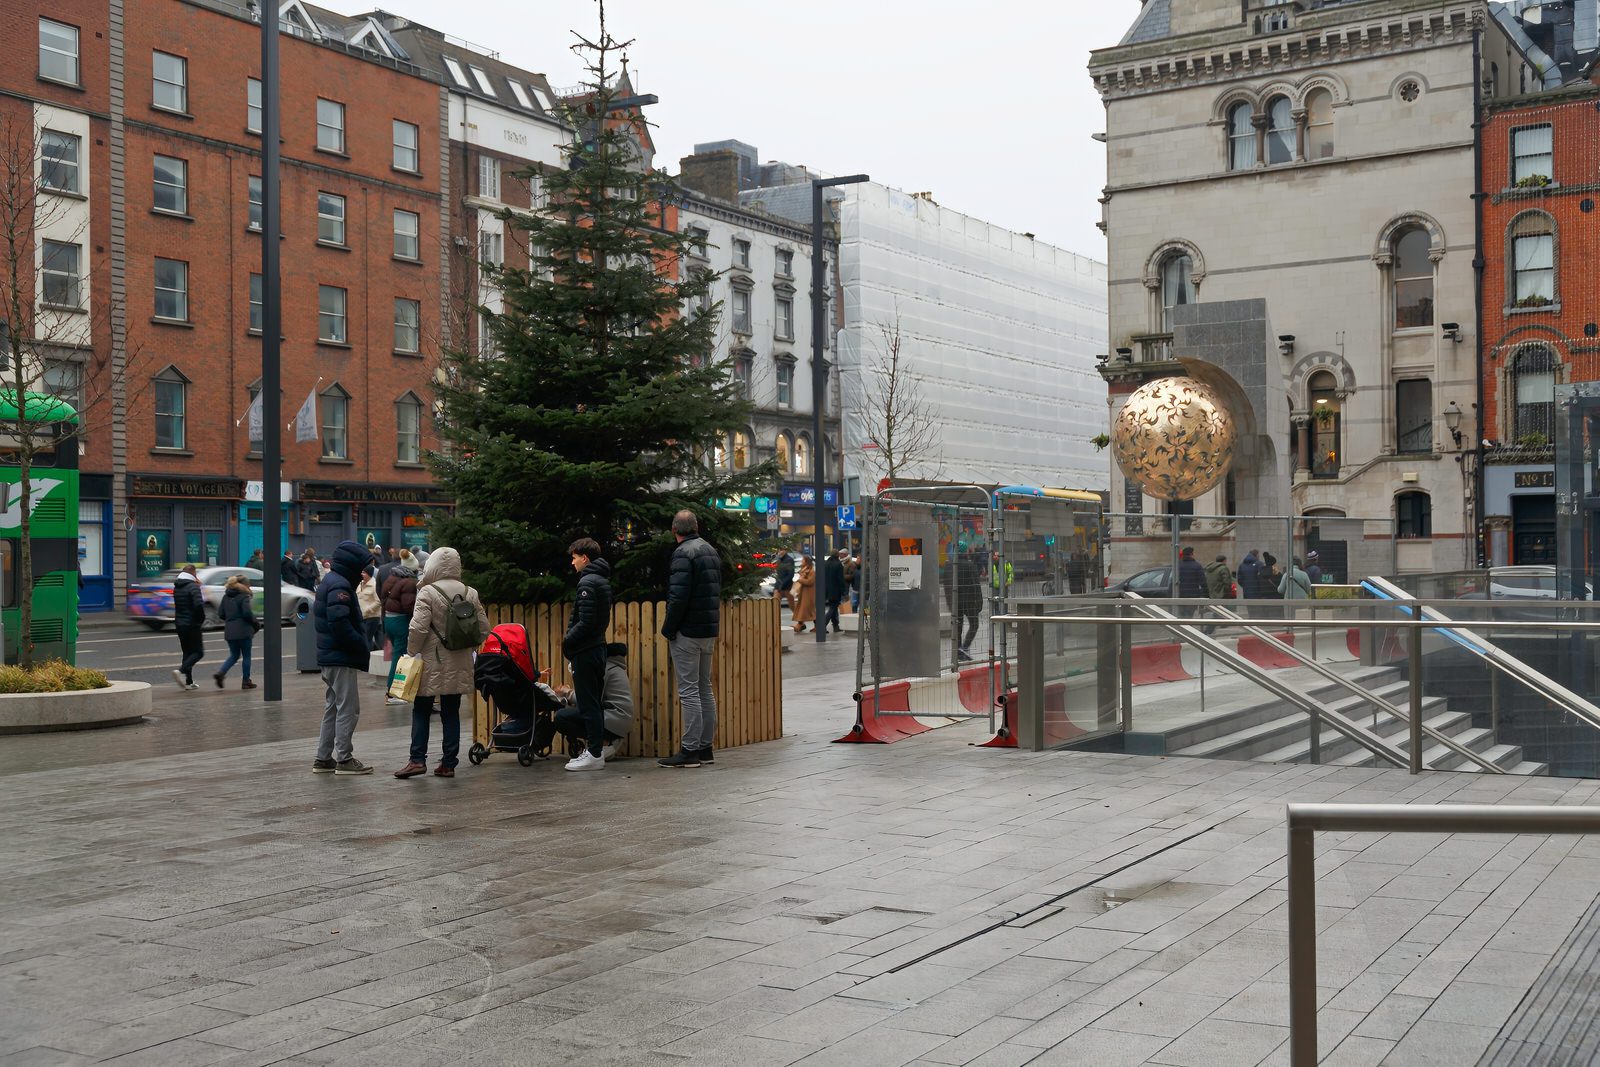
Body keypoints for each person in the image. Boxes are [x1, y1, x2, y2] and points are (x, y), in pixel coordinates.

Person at [394, 547, 487, 780]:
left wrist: (411, 651)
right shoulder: (470, 592)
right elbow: (483, 628)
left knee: (422, 709)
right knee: (451, 711)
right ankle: (448, 763)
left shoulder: (427, 592)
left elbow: (418, 627)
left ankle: (417, 760)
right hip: (460, 660)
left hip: (431, 661)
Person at [659, 510, 721, 769]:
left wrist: (668, 628)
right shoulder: (710, 550)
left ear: (675, 530)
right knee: (704, 688)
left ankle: (690, 751)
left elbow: (678, 597)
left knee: (689, 691)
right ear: (695, 527)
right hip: (708, 630)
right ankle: (705, 748)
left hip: (688, 631)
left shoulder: (683, 553)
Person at [312, 540, 374, 775]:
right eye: (361, 567)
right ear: (351, 565)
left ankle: (323, 758)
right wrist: (360, 644)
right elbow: (339, 623)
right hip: (341, 657)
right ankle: (344, 759)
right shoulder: (340, 586)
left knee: (333, 708)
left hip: (330, 656)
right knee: (348, 708)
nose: (362, 573)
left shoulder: (331, 581)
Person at [562, 537, 612, 772]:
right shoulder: (601, 580)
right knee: (594, 702)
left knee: (588, 703)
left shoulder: (588, 583)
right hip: (597, 648)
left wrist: (568, 640)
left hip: (586, 650)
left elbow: (587, 621)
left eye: (574, 557)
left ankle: (593, 753)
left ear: (585, 557)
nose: (572, 562)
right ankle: (595, 750)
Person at [553, 643, 634, 760]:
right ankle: (604, 742)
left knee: (561, 717)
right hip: (617, 719)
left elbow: (589, 700)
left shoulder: (604, 669)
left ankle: (603, 744)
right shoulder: (614, 667)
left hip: (613, 718)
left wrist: (568, 693)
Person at [381, 550, 418, 705]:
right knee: (399, 656)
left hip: (388, 620)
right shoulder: (409, 582)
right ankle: (392, 693)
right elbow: (409, 605)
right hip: (400, 621)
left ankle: (394, 691)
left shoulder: (392, 577)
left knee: (398, 656)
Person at [213, 574, 260, 689]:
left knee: (234, 655)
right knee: (246, 656)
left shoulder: (226, 596)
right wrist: (256, 624)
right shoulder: (243, 596)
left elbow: (221, 614)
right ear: (245, 585)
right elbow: (247, 613)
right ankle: (246, 681)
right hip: (244, 630)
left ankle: (221, 673)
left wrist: (231, 620)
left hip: (230, 630)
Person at [170, 564, 205, 691]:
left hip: (180, 623)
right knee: (198, 652)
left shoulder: (177, 587)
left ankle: (189, 682)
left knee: (187, 652)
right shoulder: (193, 587)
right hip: (192, 624)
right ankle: (180, 671)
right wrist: (200, 620)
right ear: (193, 573)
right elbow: (198, 605)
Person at [954, 549, 983, 660]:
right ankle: (964, 648)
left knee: (958, 627)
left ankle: (958, 651)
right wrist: (979, 601)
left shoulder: (953, 566)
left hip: (956, 602)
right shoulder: (970, 565)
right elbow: (976, 584)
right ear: (965, 552)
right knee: (974, 624)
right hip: (970, 601)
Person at [356, 567, 383, 652]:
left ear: (369, 574)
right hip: (362, 616)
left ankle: (368, 656)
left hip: (372, 616)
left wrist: (368, 610)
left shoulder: (374, 585)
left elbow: (378, 601)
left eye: (364, 573)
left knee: (367, 637)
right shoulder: (360, 584)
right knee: (367, 638)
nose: (362, 574)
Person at [821, 548, 846, 635]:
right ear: (837, 555)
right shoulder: (838, 564)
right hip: (835, 590)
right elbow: (840, 579)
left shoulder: (826, 563)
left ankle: (836, 626)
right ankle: (822, 625)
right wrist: (844, 591)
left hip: (826, 589)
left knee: (833, 607)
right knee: (833, 607)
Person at [791, 553, 816, 634]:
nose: (801, 561)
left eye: (803, 560)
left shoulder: (811, 571)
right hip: (803, 592)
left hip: (809, 593)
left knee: (808, 609)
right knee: (804, 609)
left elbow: (810, 582)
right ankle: (800, 624)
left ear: (807, 561)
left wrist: (800, 580)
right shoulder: (803, 570)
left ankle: (803, 624)